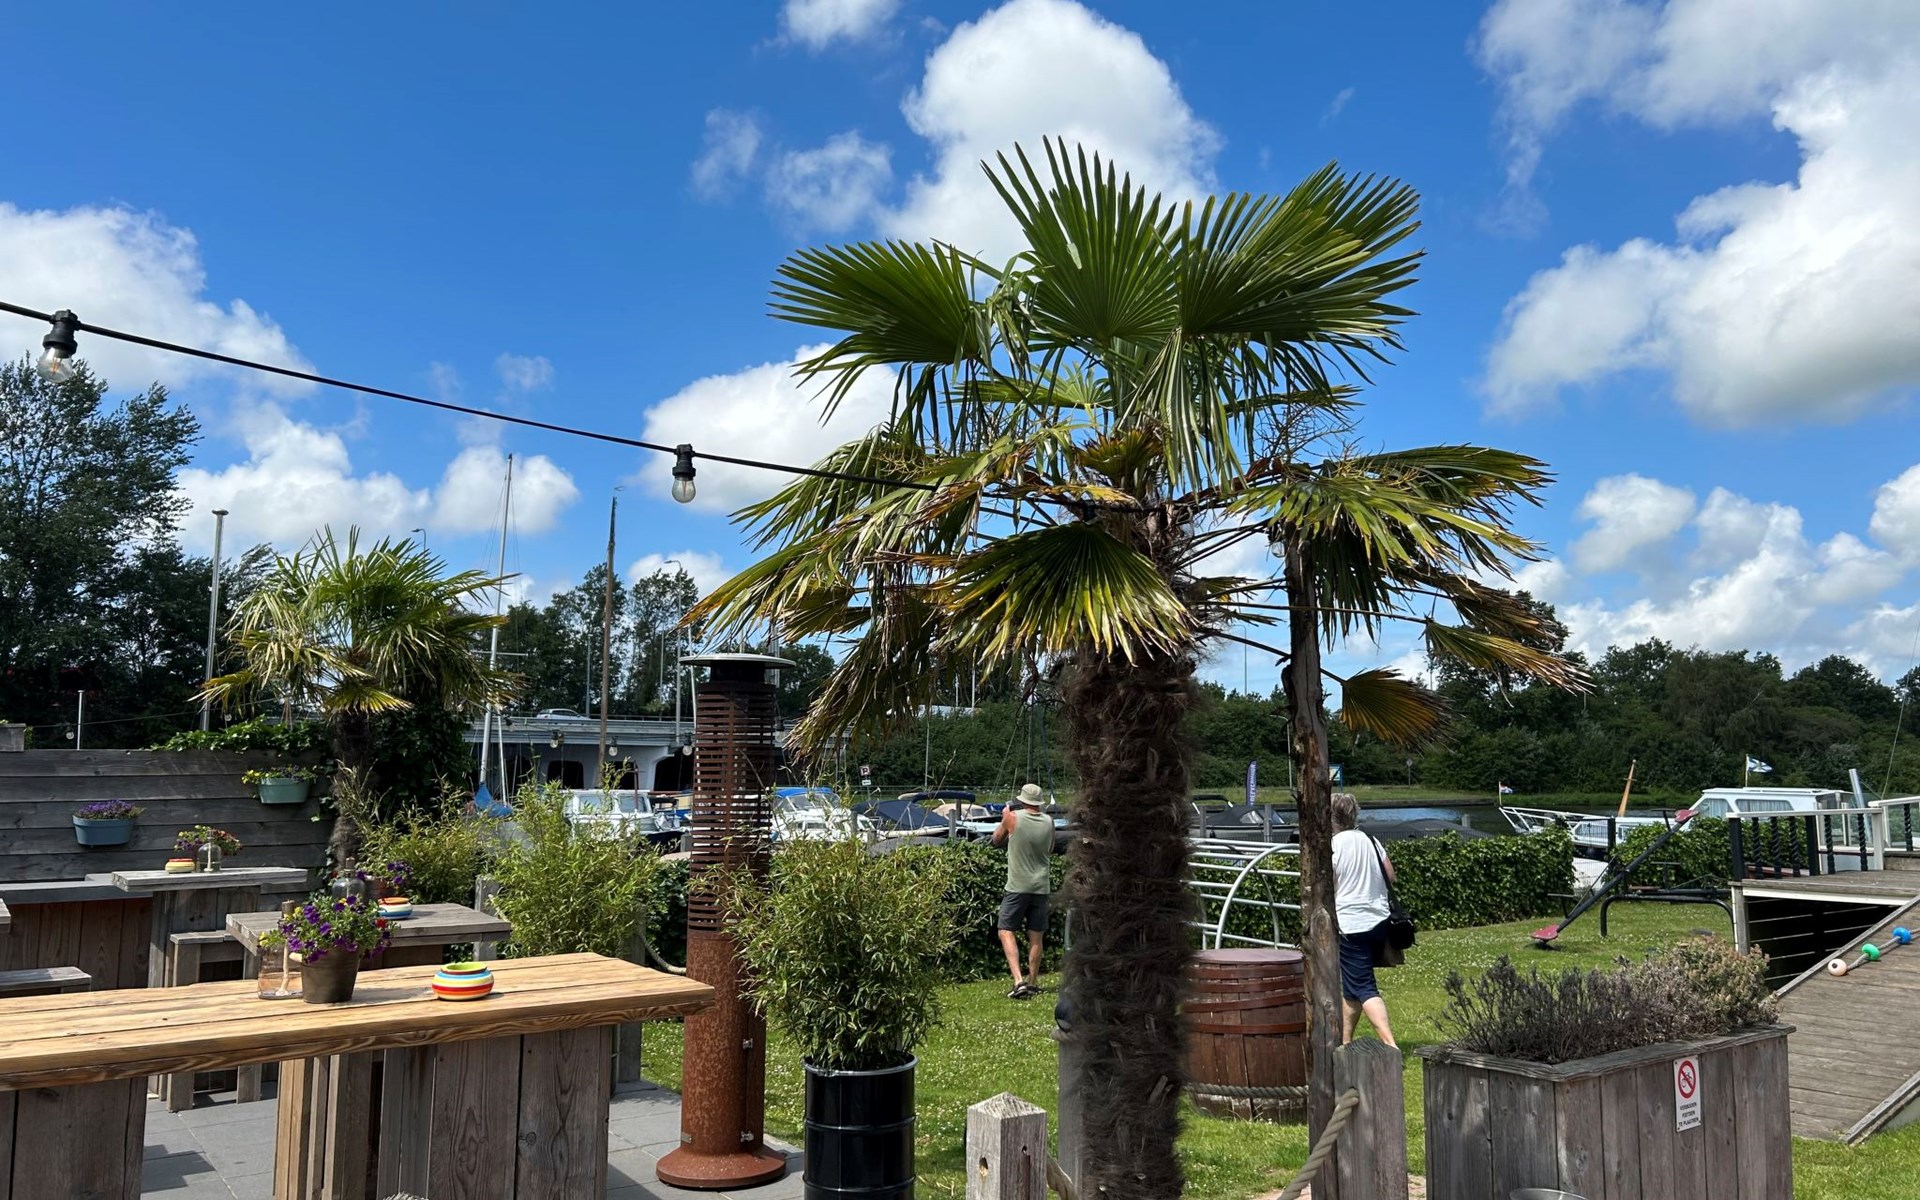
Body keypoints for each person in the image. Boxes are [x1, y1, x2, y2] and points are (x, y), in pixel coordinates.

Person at [1330, 791, 1398, 1047]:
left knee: (1365, 987)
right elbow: (1390, 876)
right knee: (1352, 988)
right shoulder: (1371, 840)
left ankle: (1390, 1046)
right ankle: (1345, 1043)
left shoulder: (1333, 845)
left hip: (1351, 924)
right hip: (1379, 920)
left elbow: (1327, 884)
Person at [992, 782, 1053, 999]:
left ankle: (1019, 981)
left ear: (1022, 800)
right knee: (1036, 935)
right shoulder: (1049, 821)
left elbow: (996, 839)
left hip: (1017, 886)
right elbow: (1049, 848)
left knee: (1005, 929)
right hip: (1041, 885)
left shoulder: (1012, 817)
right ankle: (1033, 982)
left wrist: (1004, 817)